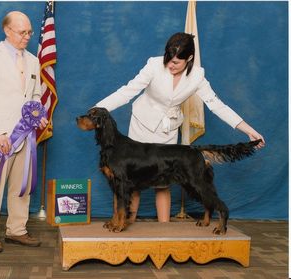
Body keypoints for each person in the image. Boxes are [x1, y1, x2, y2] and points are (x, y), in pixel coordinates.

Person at [95, 32, 265, 223]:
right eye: (168, 59)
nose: (170, 65)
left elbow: (217, 105)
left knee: (163, 183)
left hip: (167, 129)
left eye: (176, 62)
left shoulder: (198, 75)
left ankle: (165, 231)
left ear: (189, 58)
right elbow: (128, 91)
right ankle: (127, 226)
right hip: (142, 125)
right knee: (131, 181)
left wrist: (248, 129)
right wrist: (98, 108)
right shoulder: (153, 64)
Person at [0, 11, 48, 253]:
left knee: (22, 186)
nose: (27, 36)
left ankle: (17, 230)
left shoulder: (34, 60)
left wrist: (39, 115)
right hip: (1, 136)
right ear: (7, 30)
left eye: (29, 32)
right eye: (22, 32)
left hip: (25, 135)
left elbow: (35, 95)